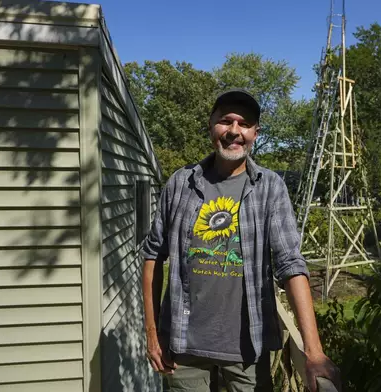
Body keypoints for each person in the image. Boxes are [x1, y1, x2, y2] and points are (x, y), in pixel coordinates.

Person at [141, 89, 340, 391]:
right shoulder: (180, 183)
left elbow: (290, 264)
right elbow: (153, 255)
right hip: (184, 348)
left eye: (244, 124)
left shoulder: (270, 187)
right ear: (211, 125)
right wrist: (153, 334)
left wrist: (313, 352)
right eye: (226, 121)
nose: (234, 131)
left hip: (247, 350)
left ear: (255, 133)